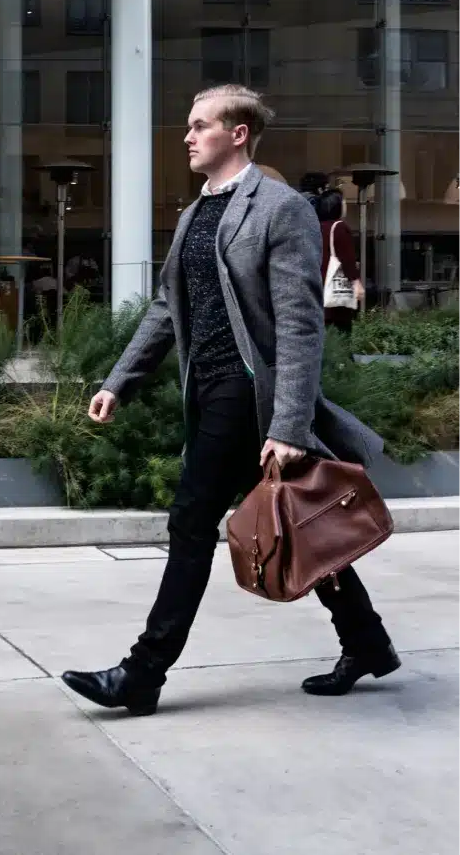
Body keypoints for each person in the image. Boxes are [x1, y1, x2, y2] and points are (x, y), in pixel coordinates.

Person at [62, 85, 398, 716]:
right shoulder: (195, 215)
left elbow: (300, 323)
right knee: (293, 519)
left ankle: (142, 674)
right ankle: (368, 642)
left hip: (249, 394)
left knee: (192, 522)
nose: (187, 137)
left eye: (199, 126)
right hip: (209, 388)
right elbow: (167, 309)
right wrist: (117, 382)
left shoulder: (280, 208)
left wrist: (289, 423)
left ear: (237, 134)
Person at [316, 188, 365, 332]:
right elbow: (347, 258)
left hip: (319, 288)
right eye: (343, 201)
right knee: (342, 331)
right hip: (335, 292)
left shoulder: (316, 227)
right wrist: (356, 282)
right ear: (335, 205)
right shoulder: (339, 227)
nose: (345, 205)